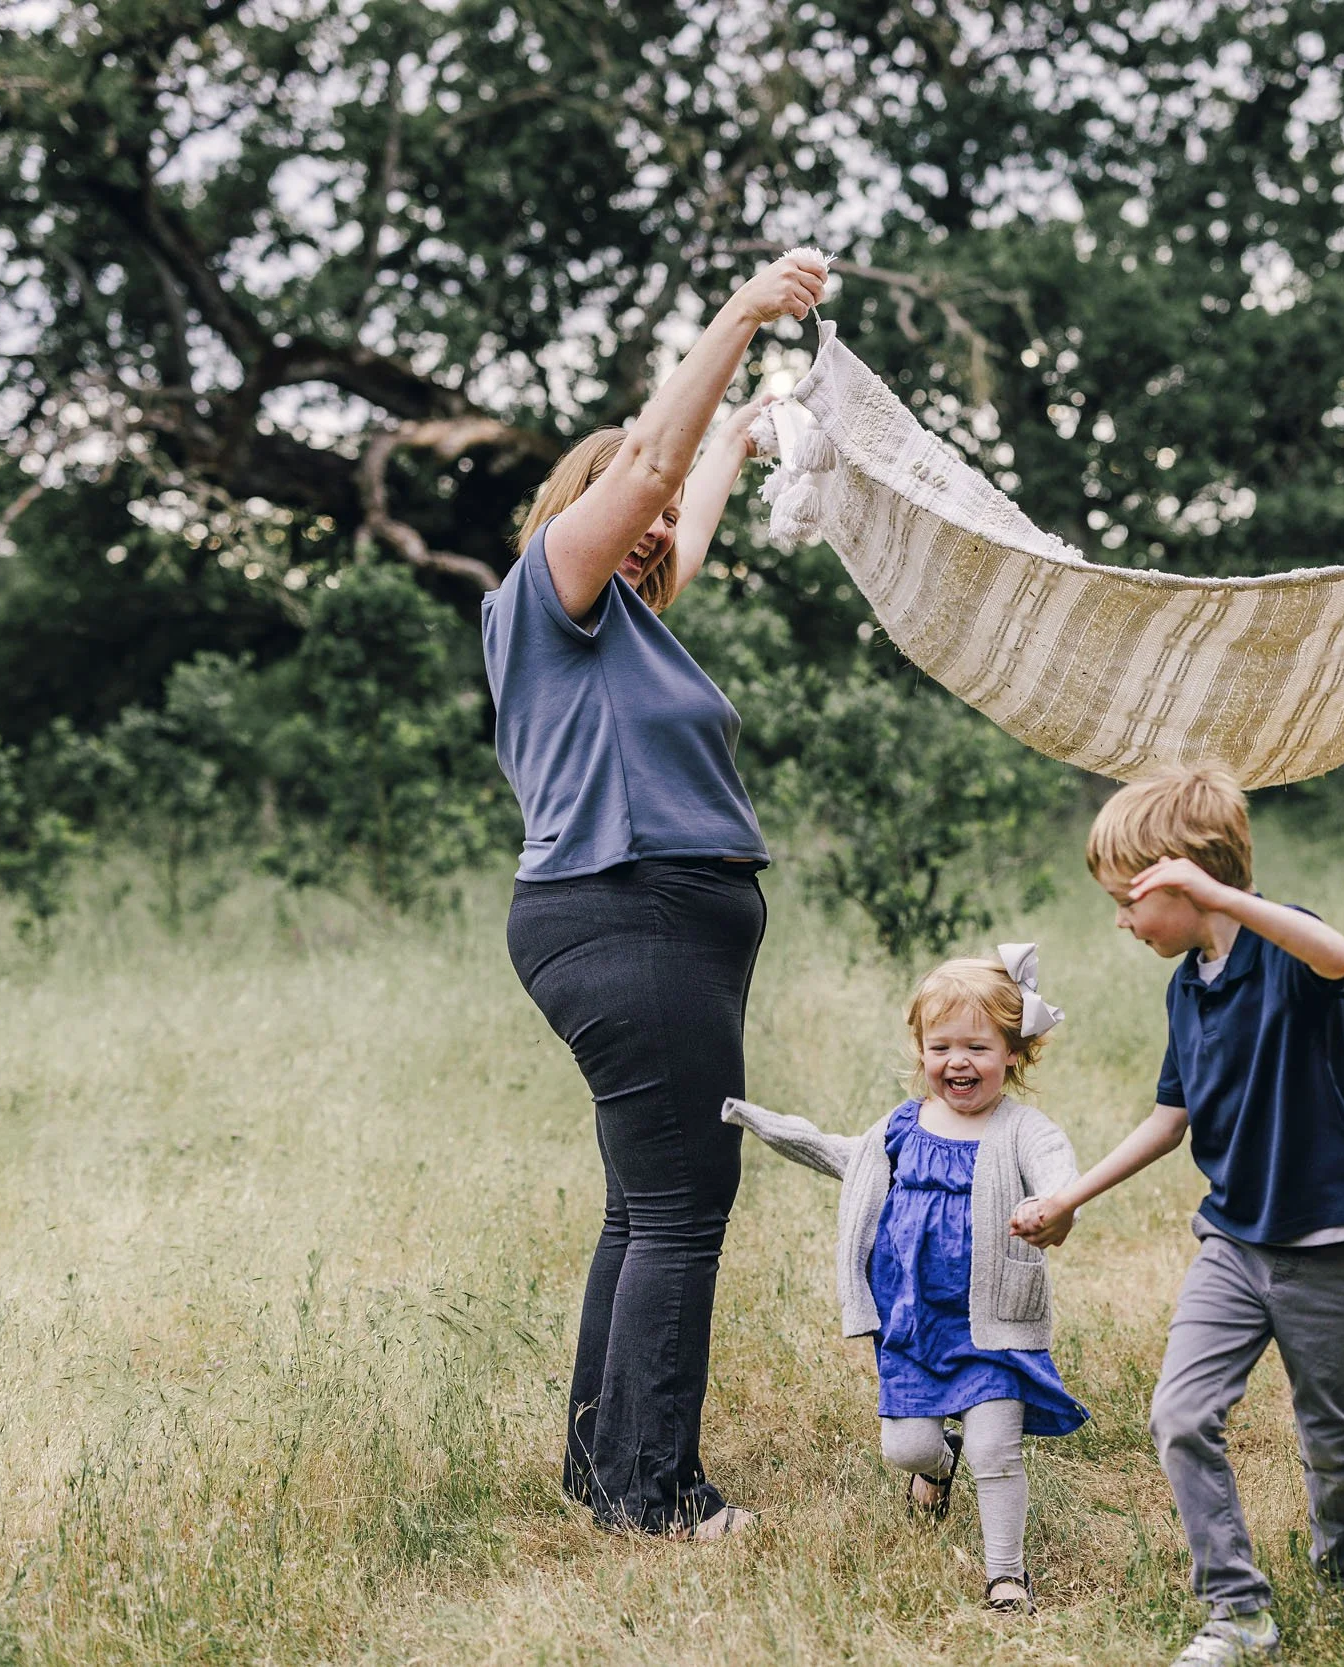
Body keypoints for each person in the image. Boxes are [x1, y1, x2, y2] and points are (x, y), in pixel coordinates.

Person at [483, 250, 828, 1539]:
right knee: (686, 1209)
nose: (668, 528)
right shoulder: (545, 597)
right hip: (625, 915)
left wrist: (740, 436)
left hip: (654, 922)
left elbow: (683, 501)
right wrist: (740, 317)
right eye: (650, 507)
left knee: (646, 1204)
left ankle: (602, 1469)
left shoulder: (624, 621)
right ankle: (657, 1493)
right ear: (590, 511)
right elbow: (644, 475)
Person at [1012, 766, 1344, 1667]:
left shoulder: (1285, 954)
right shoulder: (1186, 988)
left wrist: (1223, 895)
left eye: (1127, 901)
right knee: (1180, 1414)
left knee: (1329, 1431)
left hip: (1331, 1249)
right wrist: (1070, 1194)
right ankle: (1237, 1609)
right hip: (1232, 1242)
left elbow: (1338, 954)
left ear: (1181, 882)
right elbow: (1168, 1116)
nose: (1121, 921)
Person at [720, 948, 1088, 1612]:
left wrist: (1053, 1207)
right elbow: (838, 1152)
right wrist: (760, 1121)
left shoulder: (1023, 1130)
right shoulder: (899, 1127)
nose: (957, 1060)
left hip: (991, 1324)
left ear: (1013, 1052)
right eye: (939, 1044)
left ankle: (1007, 1574)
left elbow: (1060, 1177)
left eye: (977, 1045)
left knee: (995, 1448)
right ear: (920, 1051)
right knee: (906, 1446)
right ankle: (937, 1464)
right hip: (913, 1322)